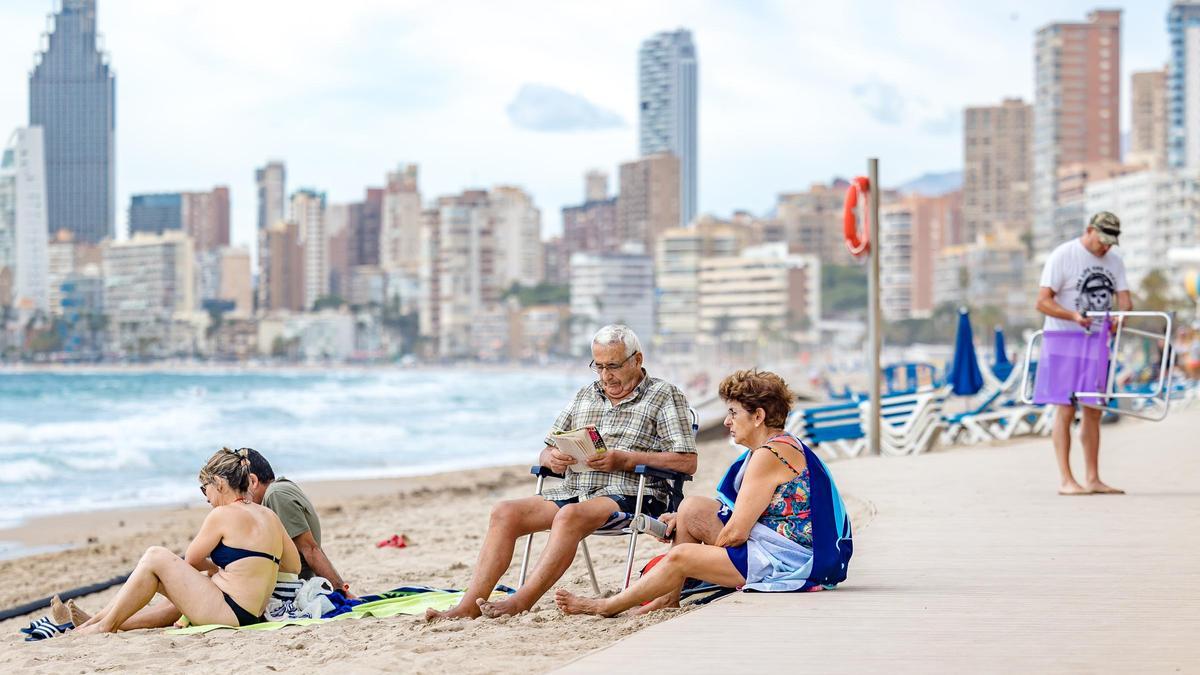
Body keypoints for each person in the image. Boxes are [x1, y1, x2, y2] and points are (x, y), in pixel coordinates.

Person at [425, 324, 697, 621]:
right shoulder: (586, 395)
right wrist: (553, 458)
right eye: (599, 366)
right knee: (504, 512)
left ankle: (521, 601)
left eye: (614, 366)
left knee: (569, 516)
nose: (606, 376)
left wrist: (626, 460)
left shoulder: (664, 394)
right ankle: (467, 605)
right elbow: (546, 448)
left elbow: (687, 462)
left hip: (633, 495)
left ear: (637, 359)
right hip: (577, 492)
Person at [555, 369, 852, 618]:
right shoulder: (781, 446)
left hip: (788, 561)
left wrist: (698, 556)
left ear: (758, 416)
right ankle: (667, 597)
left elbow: (736, 532)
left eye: (734, 413)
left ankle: (606, 606)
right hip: (785, 546)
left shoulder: (769, 455)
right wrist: (685, 521)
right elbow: (737, 515)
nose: (727, 422)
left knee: (682, 556)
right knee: (692, 507)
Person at [72, 448, 301, 634]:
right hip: (250, 613)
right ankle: (98, 620)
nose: (207, 498)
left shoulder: (222, 514)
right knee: (153, 578)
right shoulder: (268, 516)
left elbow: (191, 559)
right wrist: (249, 568)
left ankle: (104, 625)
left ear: (219, 483)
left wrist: (219, 569)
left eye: (205, 490)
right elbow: (294, 566)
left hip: (230, 612)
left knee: (155, 555)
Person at [1034, 211, 1132, 496]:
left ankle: (1093, 477)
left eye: (1111, 242)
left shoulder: (1115, 261)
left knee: (1094, 411)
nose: (1106, 247)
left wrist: (1119, 318)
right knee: (1065, 408)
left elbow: (1125, 301)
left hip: (1096, 343)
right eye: (1102, 240)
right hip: (1062, 339)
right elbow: (1042, 302)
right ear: (1089, 230)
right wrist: (1072, 315)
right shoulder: (1063, 255)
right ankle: (1066, 479)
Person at [243, 449, 350, 594]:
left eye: (240, 486)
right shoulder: (283, 486)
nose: (240, 494)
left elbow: (311, 550)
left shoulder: (276, 495)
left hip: (295, 587)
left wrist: (343, 592)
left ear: (253, 481)